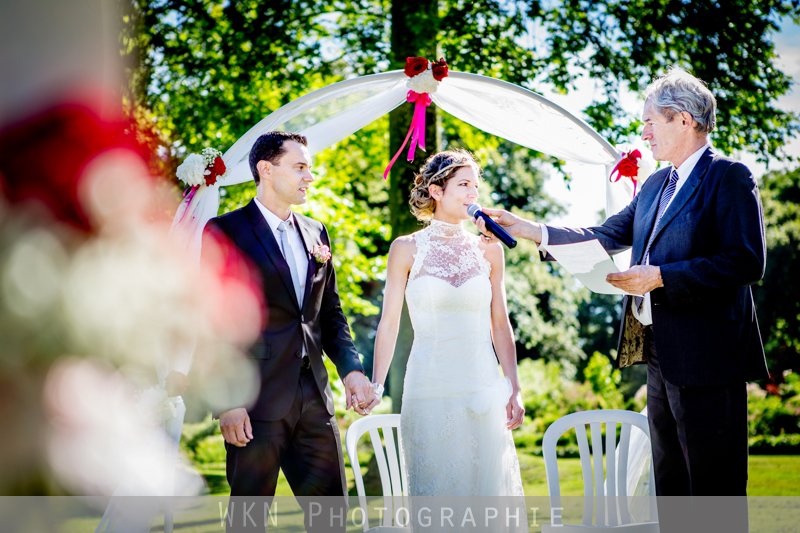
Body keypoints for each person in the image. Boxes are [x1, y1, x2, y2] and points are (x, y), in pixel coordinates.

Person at [478, 68, 768, 527]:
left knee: (716, 493)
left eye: (650, 121)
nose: (644, 133)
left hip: (709, 358)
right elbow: (606, 234)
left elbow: (746, 261)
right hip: (659, 355)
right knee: (669, 487)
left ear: (684, 120)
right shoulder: (656, 184)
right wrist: (533, 231)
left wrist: (662, 276)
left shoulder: (729, 177)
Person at [203, 131, 375, 531]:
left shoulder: (317, 232)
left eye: (308, 168)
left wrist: (351, 370)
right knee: (248, 522)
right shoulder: (226, 231)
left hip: (315, 399)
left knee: (331, 519)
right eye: (299, 167)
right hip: (254, 401)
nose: (309, 177)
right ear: (266, 169)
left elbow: (329, 313)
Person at [369, 149, 525, 501]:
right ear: (437, 191)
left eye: (476, 186)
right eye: (464, 184)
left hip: (482, 387)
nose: (474, 193)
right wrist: (377, 383)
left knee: (487, 501)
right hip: (429, 390)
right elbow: (389, 323)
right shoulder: (405, 249)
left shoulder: (490, 250)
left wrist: (513, 386)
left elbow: (500, 324)